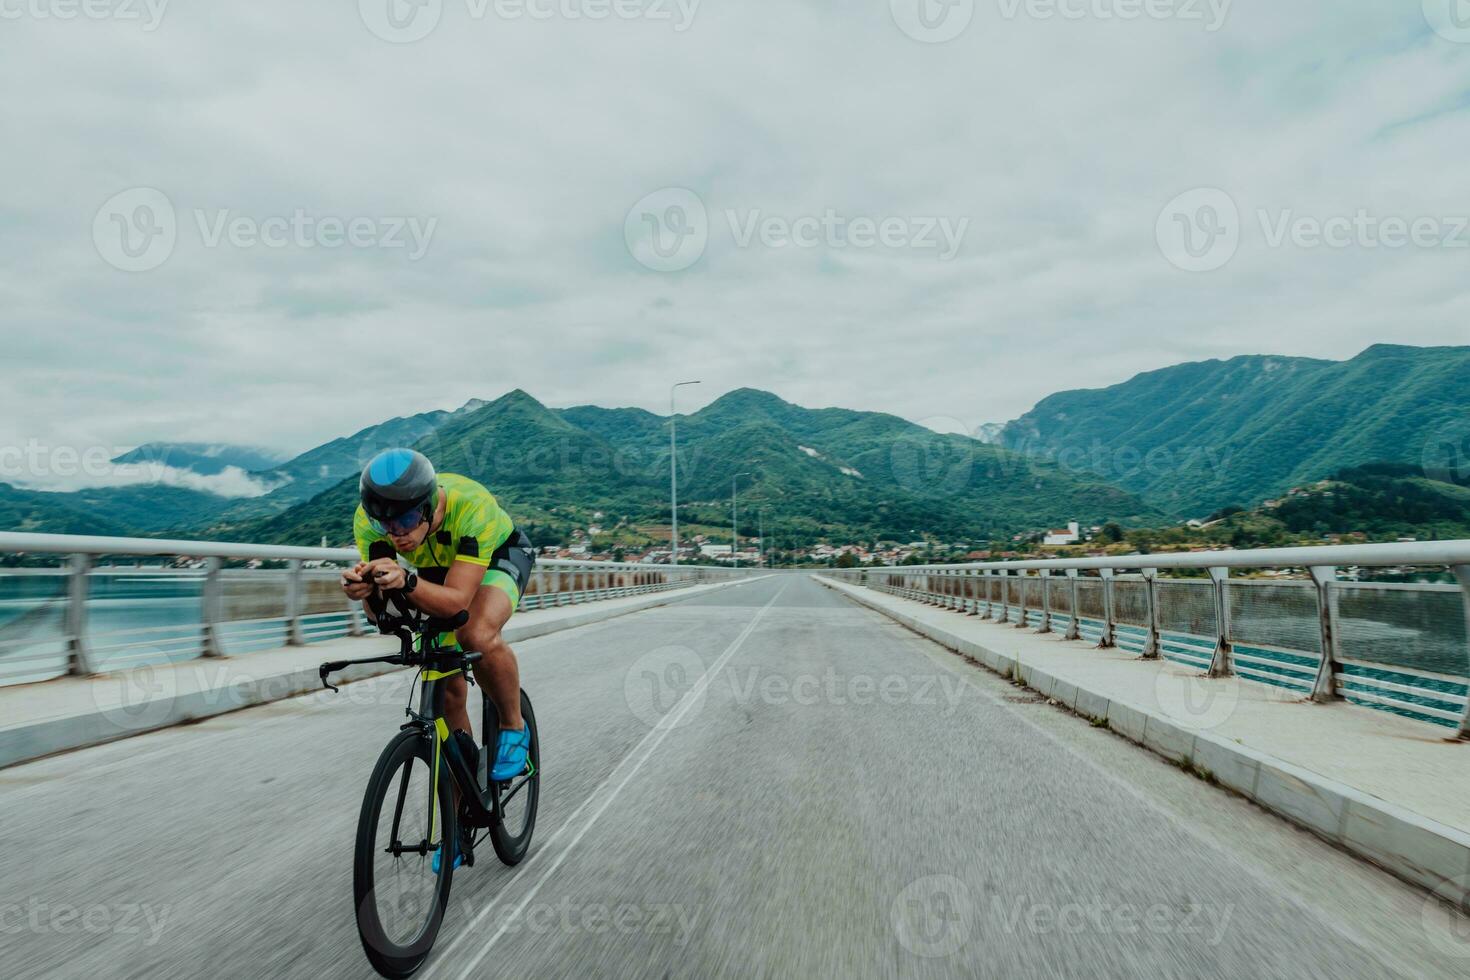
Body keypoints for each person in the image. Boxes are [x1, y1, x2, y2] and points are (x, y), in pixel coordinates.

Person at [340, 449, 535, 867]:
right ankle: (460, 816)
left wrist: (407, 580)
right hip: (432, 570)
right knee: (444, 687)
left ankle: (514, 726)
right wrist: (366, 594)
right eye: (385, 523)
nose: (396, 534)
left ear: (429, 505)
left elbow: (458, 603)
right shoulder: (370, 521)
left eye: (407, 520)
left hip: (497, 556)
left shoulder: (472, 506)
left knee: (475, 632)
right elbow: (383, 616)